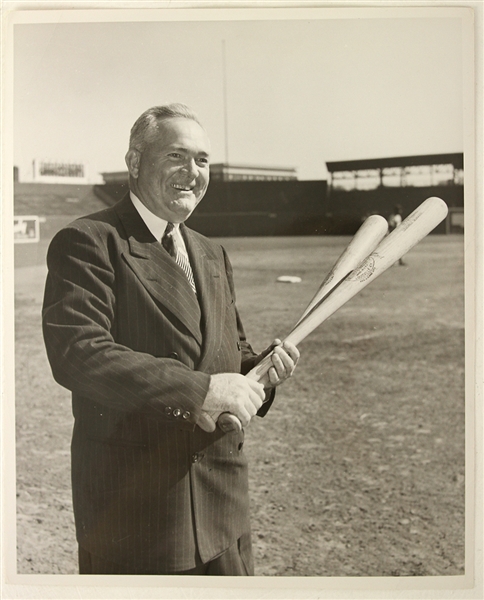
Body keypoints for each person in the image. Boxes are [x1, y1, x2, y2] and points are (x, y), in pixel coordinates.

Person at [42, 104, 300, 576]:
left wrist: (261, 370)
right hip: (138, 518)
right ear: (136, 162)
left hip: (224, 510)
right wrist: (200, 392)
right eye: (176, 157)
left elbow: (229, 353)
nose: (192, 172)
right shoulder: (90, 240)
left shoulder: (210, 251)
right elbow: (78, 353)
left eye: (202, 160)